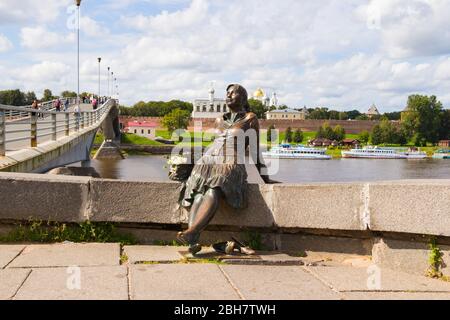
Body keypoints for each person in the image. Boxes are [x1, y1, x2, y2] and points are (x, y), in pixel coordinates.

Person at [176, 84, 274, 255]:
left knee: (214, 190)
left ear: (243, 98)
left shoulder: (250, 119)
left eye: (232, 94)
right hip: (208, 161)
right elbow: (213, 143)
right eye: (226, 94)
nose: (228, 96)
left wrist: (265, 177)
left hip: (231, 163)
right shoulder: (219, 120)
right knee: (198, 192)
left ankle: (192, 232)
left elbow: (255, 152)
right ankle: (192, 242)